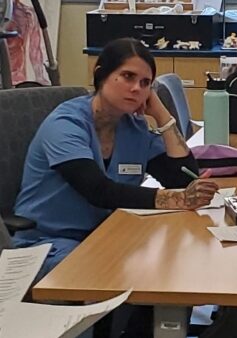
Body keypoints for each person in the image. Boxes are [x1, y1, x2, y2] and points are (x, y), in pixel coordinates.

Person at [12, 37, 219, 280]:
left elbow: (182, 179)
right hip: (49, 243)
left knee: (167, 266)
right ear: (101, 75)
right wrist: (180, 199)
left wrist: (162, 115)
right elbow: (99, 191)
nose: (136, 89)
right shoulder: (65, 125)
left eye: (145, 83)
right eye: (128, 77)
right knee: (127, 274)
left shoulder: (134, 127)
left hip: (104, 235)